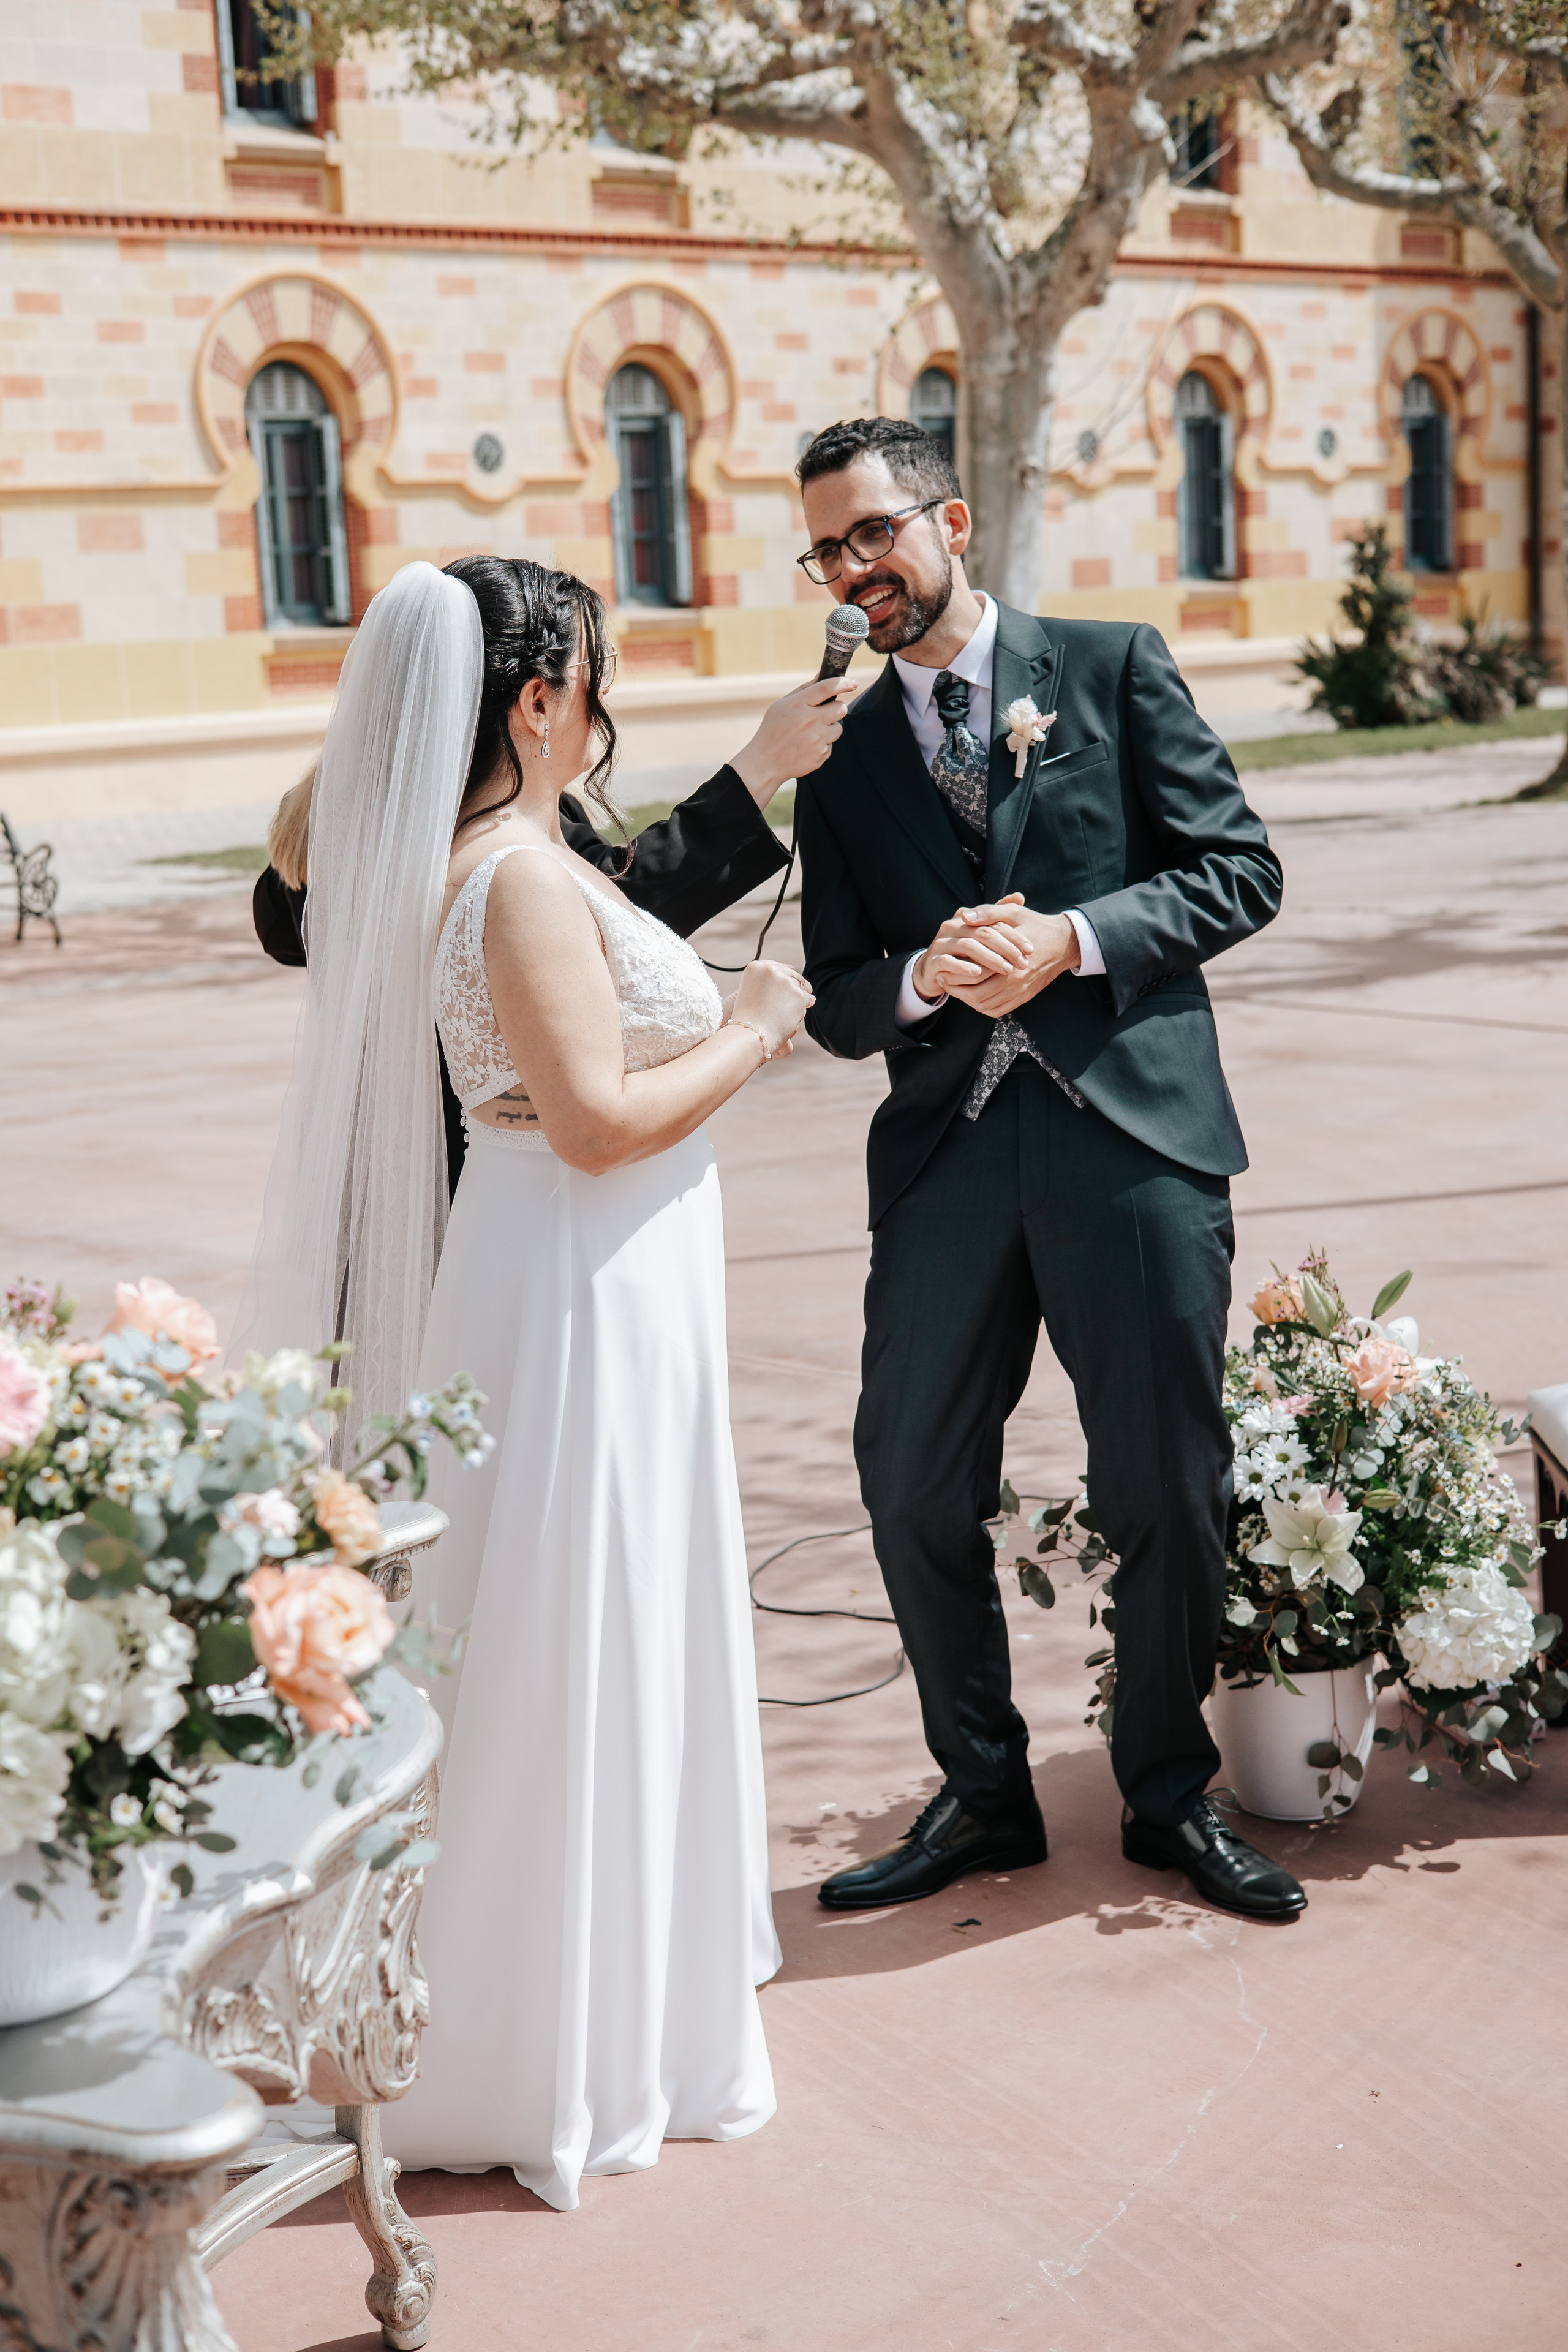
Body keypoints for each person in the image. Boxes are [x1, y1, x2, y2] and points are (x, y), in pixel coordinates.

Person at [244, 557, 814, 2210]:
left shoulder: (498, 858)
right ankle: (520, 2027)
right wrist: (766, 1025)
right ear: (538, 699)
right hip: (569, 1283)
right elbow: (592, 1120)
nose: (609, 710)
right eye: (597, 680)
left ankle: (595, 1988)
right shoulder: (504, 877)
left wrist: (762, 781)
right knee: (562, 1635)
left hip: (589, 1281)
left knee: (583, 1630)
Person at [792, 417, 1305, 1923]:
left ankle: (1163, 1794)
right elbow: (832, 990)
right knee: (906, 1479)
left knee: (1163, 1484)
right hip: (948, 1156)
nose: (851, 568)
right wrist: (921, 978)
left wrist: (1069, 941)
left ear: (948, 517)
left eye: (872, 531)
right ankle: (983, 1791)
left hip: (1130, 1136)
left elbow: (1236, 869)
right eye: (824, 547)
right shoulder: (837, 748)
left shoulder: (1109, 665)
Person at [253, 643, 848, 1198]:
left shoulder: (361, 813)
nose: (603, 693)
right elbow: (601, 916)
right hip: (485, 1168)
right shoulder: (482, 835)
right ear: (529, 698)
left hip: (420, 1158)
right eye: (594, 668)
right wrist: (759, 768)